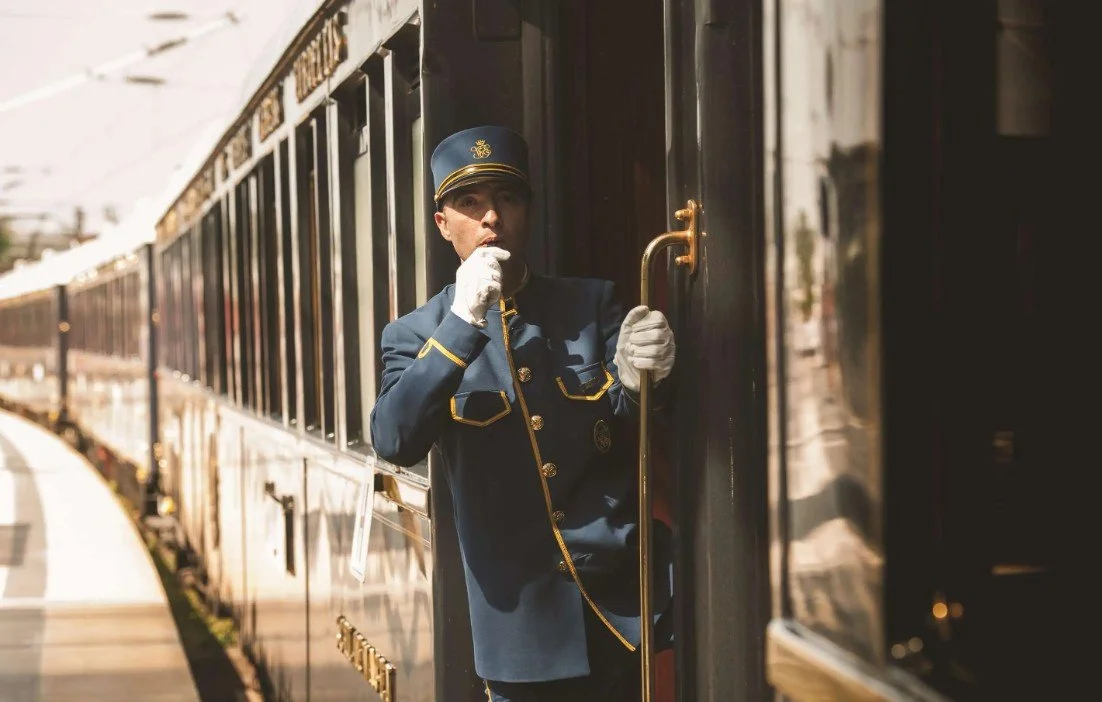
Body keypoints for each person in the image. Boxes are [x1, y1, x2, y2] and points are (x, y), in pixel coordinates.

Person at [369, 125, 676, 701]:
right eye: (470, 202)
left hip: (621, 613)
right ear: (444, 225)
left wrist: (642, 382)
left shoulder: (591, 304)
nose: (491, 218)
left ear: (527, 213)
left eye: (506, 199)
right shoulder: (415, 334)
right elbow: (394, 438)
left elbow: (626, 421)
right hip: (522, 637)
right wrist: (462, 321)